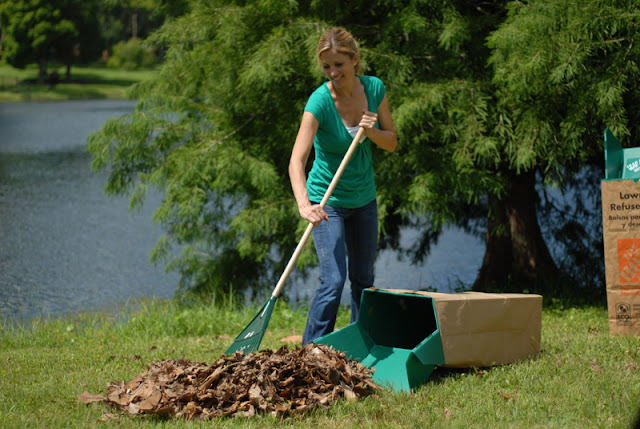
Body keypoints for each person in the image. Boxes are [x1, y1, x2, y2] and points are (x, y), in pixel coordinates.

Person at [288, 27, 397, 345]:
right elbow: (297, 160)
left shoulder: (374, 89)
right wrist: (305, 205)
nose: (333, 72)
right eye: (327, 67)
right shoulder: (319, 102)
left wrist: (372, 131)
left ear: (355, 60)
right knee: (333, 280)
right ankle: (312, 352)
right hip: (327, 202)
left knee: (364, 281)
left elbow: (391, 142)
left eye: (339, 64)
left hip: (364, 199)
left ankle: (359, 347)